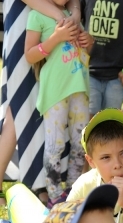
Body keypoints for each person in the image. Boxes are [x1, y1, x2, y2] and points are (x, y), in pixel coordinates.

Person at [0, 0, 81, 204]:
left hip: (59, 21)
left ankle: (41, 184)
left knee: (47, 104)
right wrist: (61, 16)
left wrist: (74, 14)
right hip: (25, 20)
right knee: (18, 106)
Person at [25, 0, 93, 205]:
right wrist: (56, 37)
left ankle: (73, 191)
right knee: (55, 144)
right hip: (55, 92)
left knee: (80, 142)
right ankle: (54, 197)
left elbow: (83, 52)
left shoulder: (73, 14)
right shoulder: (36, 15)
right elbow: (30, 55)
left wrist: (88, 41)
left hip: (79, 88)